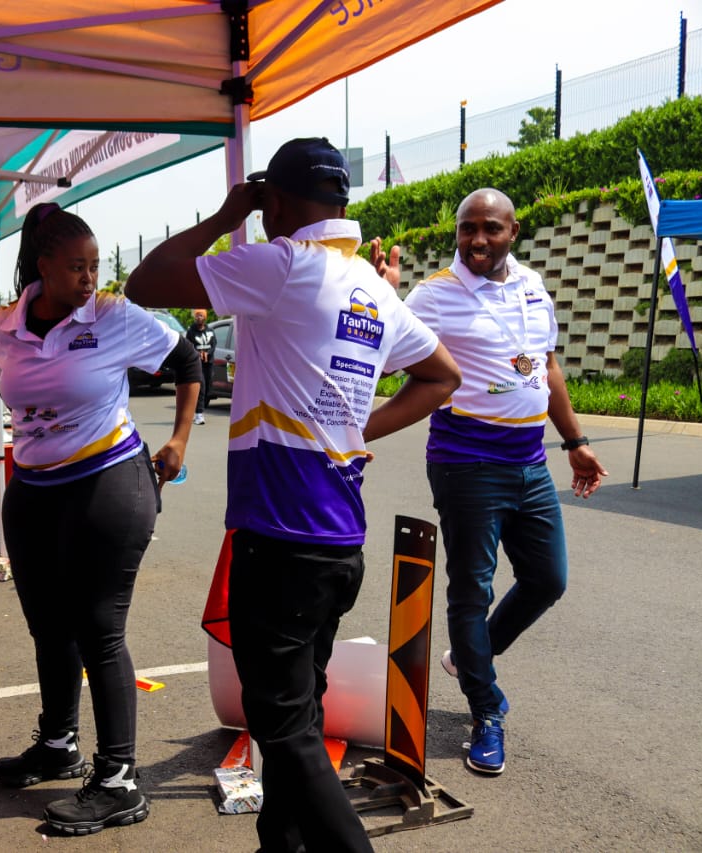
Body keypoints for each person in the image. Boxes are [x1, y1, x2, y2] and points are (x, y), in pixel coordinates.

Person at [125, 137, 460, 852]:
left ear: (273, 201)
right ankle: (280, 845)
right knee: (297, 717)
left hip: (279, 538)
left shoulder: (282, 264)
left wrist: (226, 216)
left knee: (284, 727)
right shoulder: (372, 285)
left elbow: (145, 282)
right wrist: (358, 428)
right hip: (336, 543)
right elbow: (442, 375)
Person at [0, 201, 201, 836]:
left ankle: (119, 781)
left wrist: (179, 439)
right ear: (43, 266)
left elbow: (187, 360)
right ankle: (58, 745)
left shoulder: (112, 315)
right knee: (49, 629)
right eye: (77, 267)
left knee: (98, 630)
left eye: (95, 265)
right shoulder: (4, 326)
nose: (89, 278)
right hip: (33, 491)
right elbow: (7, 386)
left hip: (108, 483)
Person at [386, 188, 608, 776]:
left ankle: (470, 657)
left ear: (513, 232)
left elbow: (547, 367)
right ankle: (486, 711)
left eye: (490, 228)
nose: (477, 240)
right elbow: (382, 359)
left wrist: (576, 442)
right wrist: (384, 299)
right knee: (471, 592)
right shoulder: (434, 295)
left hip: (530, 461)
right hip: (467, 463)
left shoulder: (532, 286)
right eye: (467, 229)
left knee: (547, 579)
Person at [185, 309, 216, 425]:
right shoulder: (191, 332)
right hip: (197, 364)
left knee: (207, 388)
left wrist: (207, 353)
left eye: (201, 315)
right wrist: (197, 354)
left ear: (205, 317)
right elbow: (188, 346)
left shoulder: (210, 331)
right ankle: (199, 414)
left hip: (209, 363)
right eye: (197, 316)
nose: (199, 318)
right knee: (201, 387)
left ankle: (196, 410)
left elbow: (213, 345)